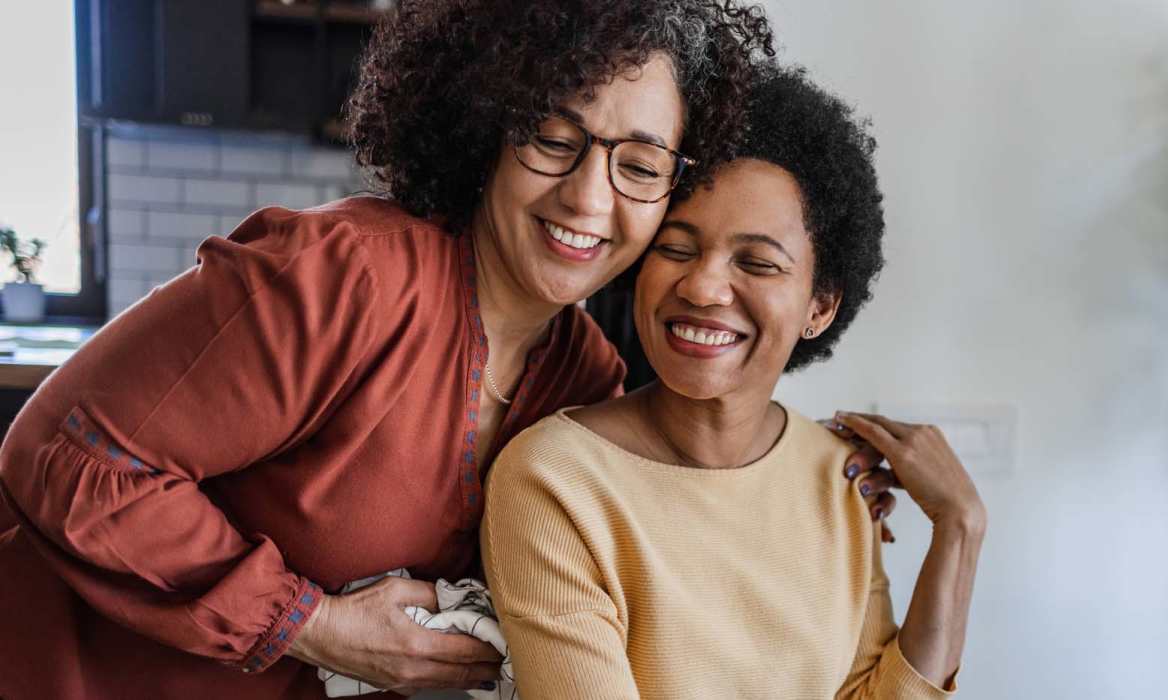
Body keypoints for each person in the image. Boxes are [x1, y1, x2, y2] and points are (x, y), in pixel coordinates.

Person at [0, 2, 794, 697]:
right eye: (553, 136)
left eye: (641, 166)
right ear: (489, 125)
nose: (588, 196)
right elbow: (69, 456)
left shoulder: (585, 378)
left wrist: (820, 471)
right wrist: (309, 623)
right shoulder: (345, 278)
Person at [482, 65, 986, 699]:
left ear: (819, 307)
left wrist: (960, 529)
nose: (702, 287)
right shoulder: (555, 481)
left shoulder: (841, 479)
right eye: (676, 247)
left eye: (756, 262)